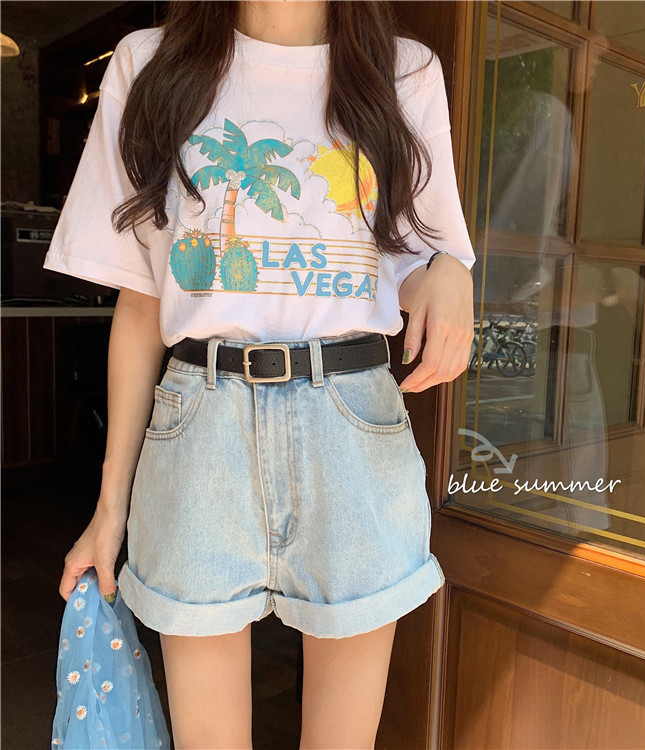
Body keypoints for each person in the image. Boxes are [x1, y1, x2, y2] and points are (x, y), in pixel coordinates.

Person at [43, 1, 475, 747]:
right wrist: (110, 507)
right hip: (199, 424)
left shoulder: (405, 73)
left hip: (351, 422)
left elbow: (413, 260)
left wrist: (450, 273)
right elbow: (142, 302)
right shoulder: (148, 65)